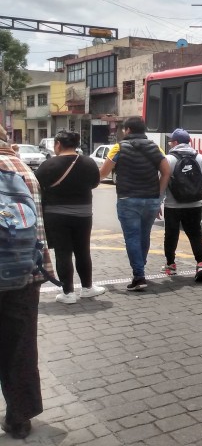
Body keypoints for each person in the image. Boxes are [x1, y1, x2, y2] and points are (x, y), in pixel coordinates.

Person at [0, 125, 53, 440]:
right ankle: (19, 419)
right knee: (21, 346)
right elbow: (38, 227)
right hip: (24, 273)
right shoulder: (25, 170)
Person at [100, 116, 170, 291]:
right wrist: (158, 196)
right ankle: (141, 267)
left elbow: (103, 173)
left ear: (128, 130)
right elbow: (166, 172)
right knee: (144, 235)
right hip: (151, 199)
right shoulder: (156, 147)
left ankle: (139, 276)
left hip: (128, 199)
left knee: (132, 237)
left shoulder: (119, 147)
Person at [34, 130, 103, 304]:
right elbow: (94, 183)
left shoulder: (48, 165)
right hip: (83, 214)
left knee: (63, 252)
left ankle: (68, 293)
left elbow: (37, 186)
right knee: (83, 250)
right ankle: (87, 288)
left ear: (58, 144)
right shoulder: (89, 162)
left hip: (56, 216)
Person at [162, 128, 202, 282]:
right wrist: (195, 193)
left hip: (172, 205)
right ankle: (201, 264)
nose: (170, 143)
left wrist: (160, 200)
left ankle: (171, 265)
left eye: (171, 141)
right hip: (194, 205)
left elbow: (162, 181)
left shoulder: (169, 159)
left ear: (176, 142)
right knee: (195, 234)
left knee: (171, 235)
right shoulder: (200, 158)